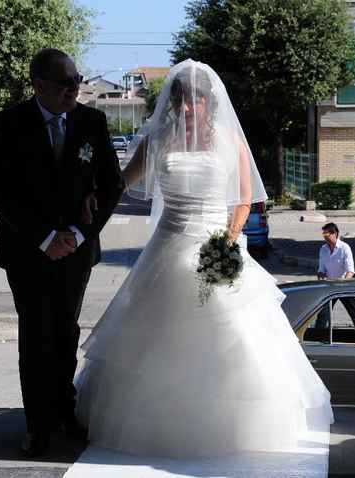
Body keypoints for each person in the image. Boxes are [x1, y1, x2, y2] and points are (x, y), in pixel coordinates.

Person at [74, 60, 333, 459]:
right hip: (168, 244)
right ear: (173, 103)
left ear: (208, 103)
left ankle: (237, 425)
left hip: (216, 241)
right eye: (182, 101)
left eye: (196, 100)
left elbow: (244, 199)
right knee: (156, 334)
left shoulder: (230, 139)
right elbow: (123, 180)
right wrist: (95, 193)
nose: (189, 108)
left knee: (235, 332)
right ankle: (157, 425)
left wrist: (229, 240)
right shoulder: (158, 139)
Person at [0, 48, 124, 457]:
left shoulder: (92, 121)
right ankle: (38, 425)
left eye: (77, 81)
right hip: (28, 250)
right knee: (36, 336)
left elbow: (111, 184)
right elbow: (3, 190)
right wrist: (46, 238)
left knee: (66, 331)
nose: (73, 90)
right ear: (40, 85)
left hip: (77, 251)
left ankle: (65, 411)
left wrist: (79, 235)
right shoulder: (10, 124)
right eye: (65, 84)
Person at [314, 223, 355, 330]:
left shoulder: (345, 248)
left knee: (354, 312)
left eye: (327, 234)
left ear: (335, 234)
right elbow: (321, 269)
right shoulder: (323, 249)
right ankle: (318, 336)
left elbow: (350, 270)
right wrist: (321, 277)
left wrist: (343, 283)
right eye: (324, 235)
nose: (325, 237)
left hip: (344, 285)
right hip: (329, 286)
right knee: (323, 313)